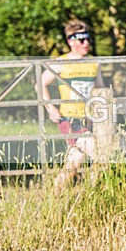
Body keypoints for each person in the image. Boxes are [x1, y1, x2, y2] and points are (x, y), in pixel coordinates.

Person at [40, 20, 104, 189]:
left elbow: (100, 89)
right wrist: (50, 107)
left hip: (90, 117)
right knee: (100, 154)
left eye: (88, 39)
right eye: (82, 40)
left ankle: (54, 196)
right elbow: (40, 83)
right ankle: (95, 192)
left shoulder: (94, 63)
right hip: (70, 118)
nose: (86, 43)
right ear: (71, 41)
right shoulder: (61, 62)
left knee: (74, 163)